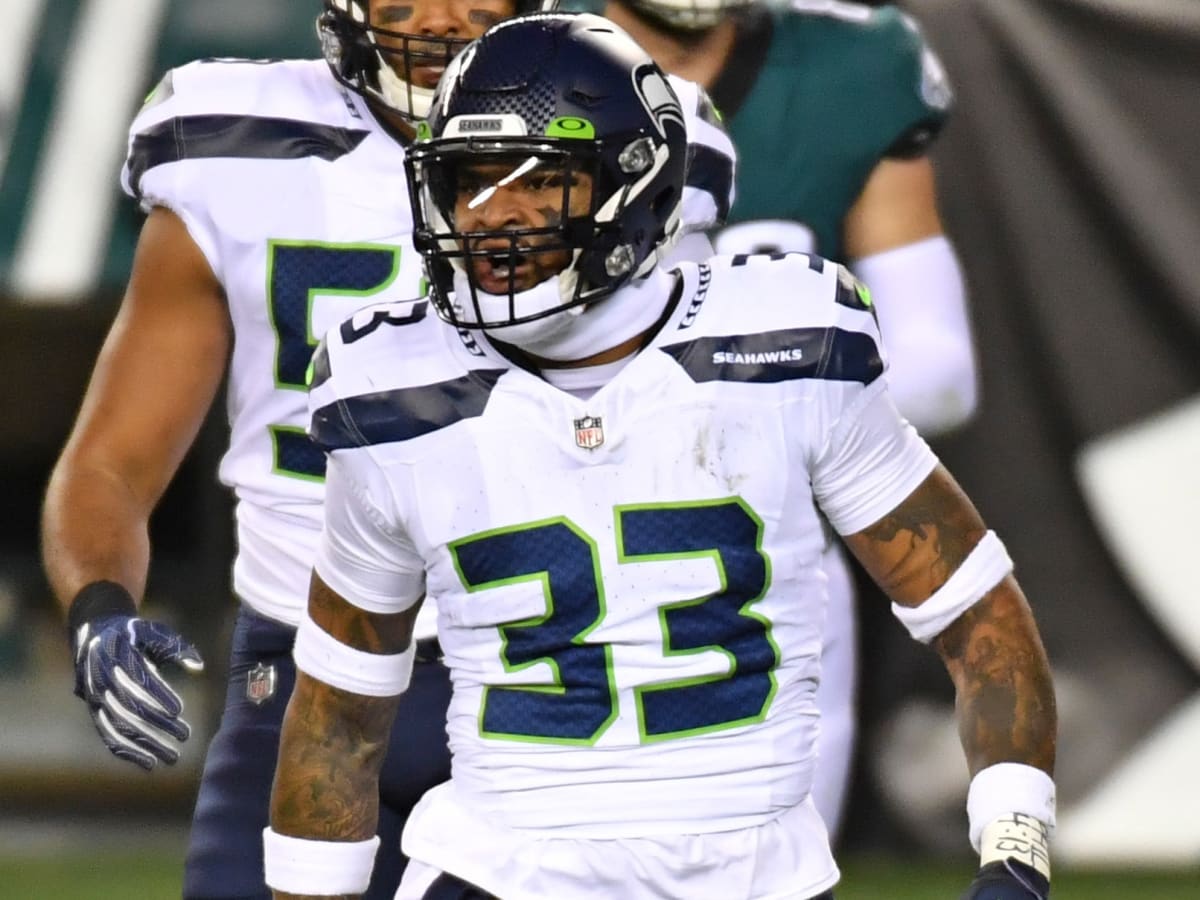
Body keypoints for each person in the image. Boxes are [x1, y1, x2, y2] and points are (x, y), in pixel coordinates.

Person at [266, 13, 1056, 900]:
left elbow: (976, 613)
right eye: (470, 180)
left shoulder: (784, 344)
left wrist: (1015, 844)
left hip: (754, 874)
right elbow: (338, 711)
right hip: (502, 870)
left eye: (542, 181)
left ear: (631, 188)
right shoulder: (389, 389)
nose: (496, 216)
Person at [40, 2, 733, 898]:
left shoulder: (636, 131)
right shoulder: (228, 140)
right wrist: (99, 604)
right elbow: (109, 461)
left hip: (553, 677)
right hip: (297, 670)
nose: (440, 18)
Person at [584, 0, 979, 837]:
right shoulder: (510, 49)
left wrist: (730, 419)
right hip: (538, 537)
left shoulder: (849, 64)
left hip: (757, 560)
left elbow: (939, 372)